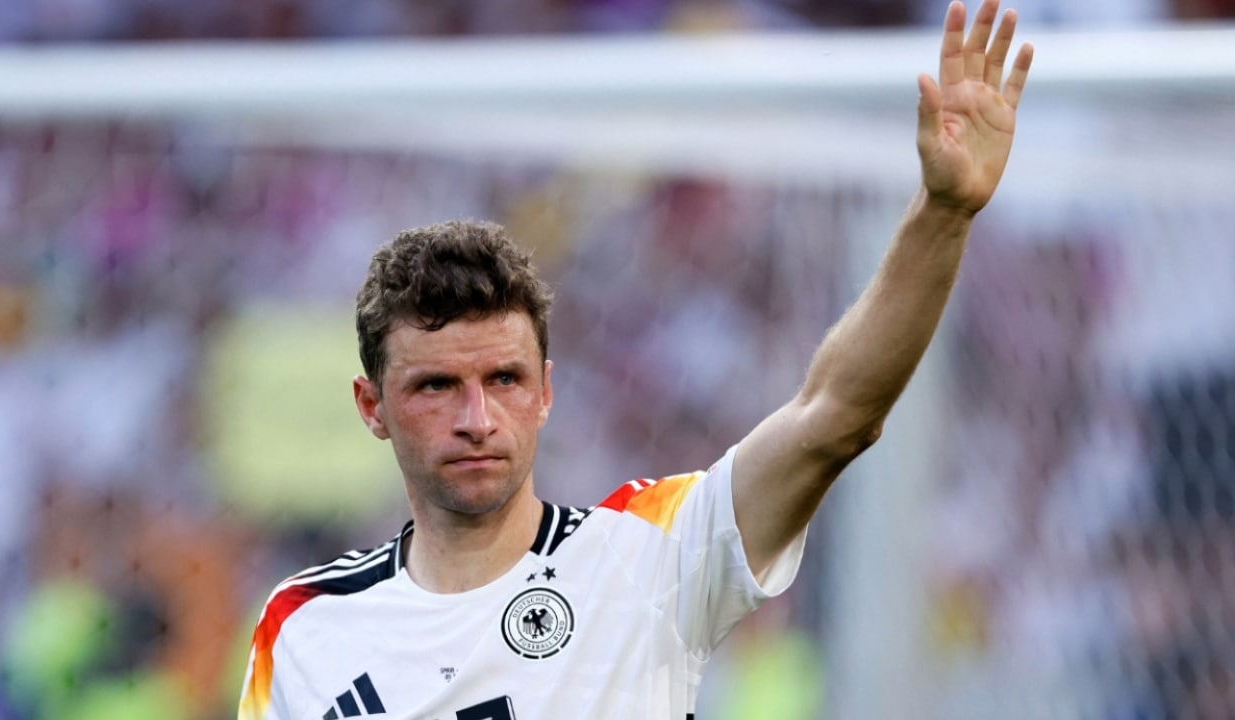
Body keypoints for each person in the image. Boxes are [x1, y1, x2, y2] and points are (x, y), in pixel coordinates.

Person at [237, 2, 1034, 717]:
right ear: (371, 407)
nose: (476, 418)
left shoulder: (646, 559)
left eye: (504, 379)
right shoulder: (304, 627)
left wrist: (943, 213)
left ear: (546, 391)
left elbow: (835, 418)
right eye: (436, 386)